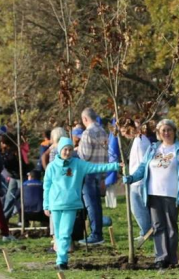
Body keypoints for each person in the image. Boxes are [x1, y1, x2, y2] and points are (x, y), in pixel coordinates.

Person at [123, 119, 179, 269]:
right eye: (163, 131)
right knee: (157, 226)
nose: (166, 133)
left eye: (169, 130)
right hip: (153, 193)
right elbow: (143, 167)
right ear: (159, 134)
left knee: (171, 226)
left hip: (172, 194)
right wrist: (132, 178)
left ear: (174, 132)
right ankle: (160, 258)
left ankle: (172, 258)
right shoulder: (154, 148)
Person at [43, 137, 120, 270]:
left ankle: (62, 261)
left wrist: (115, 165)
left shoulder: (78, 164)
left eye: (70, 149)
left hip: (71, 204)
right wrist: (46, 204)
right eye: (65, 149)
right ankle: (60, 259)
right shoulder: (51, 167)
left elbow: (96, 167)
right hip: (55, 205)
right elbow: (47, 186)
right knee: (58, 234)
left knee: (66, 232)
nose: (67, 152)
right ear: (59, 150)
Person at [76, 108, 109, 245]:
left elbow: (85, 156)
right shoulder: (103, 131)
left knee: (91, 204)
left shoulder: (87, 133)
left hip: (88, 172)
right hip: (100, 170)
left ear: (85, 119)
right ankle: (98, 232)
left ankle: (96, 234)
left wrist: (76, 150)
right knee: (97, 204)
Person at [128, 120, 153, 243]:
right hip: (138, 180)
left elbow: (144, 162)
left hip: (138, 181)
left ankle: (146, 232)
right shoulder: (142, 140)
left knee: (138, 209)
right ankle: (147, 231)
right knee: (141, 208)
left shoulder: (140, 141)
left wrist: (137, 177)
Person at [0, 136, 25, 221]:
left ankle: (22, 218)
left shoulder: (15, 151)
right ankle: (5, 216)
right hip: (13, 176)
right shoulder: (6, 152)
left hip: (20, 175)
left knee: (20, 196)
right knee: (9, 196)